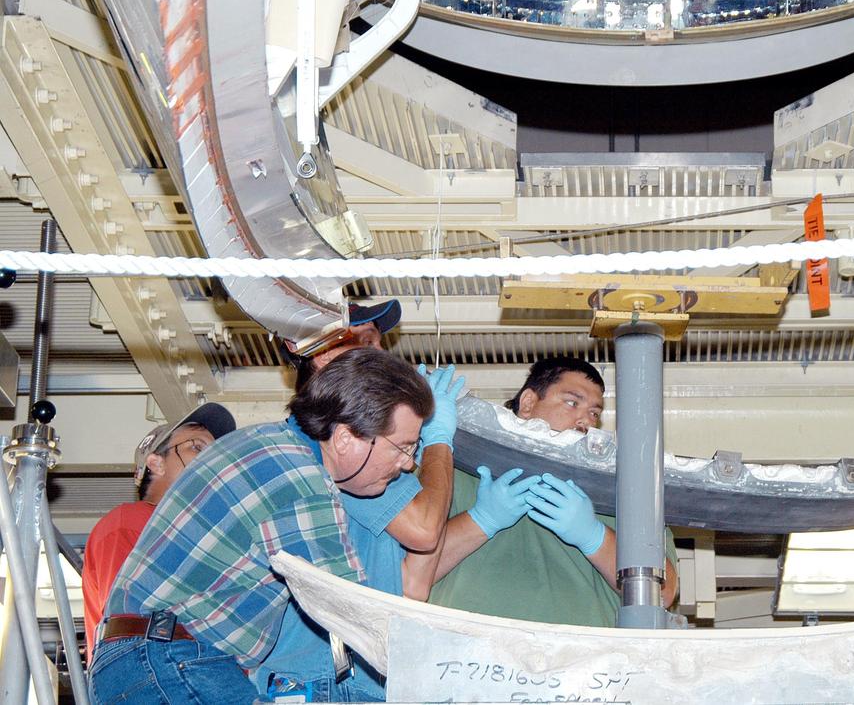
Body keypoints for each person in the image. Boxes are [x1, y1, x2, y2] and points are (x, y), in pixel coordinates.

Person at [88, 348, 444, 705]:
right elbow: (354, 612)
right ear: (345, 438)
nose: (407, 464)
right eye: (402, 447)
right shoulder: (302, 480)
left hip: (152, 659)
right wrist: (453, 667)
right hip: (166, 659)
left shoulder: (269, 443)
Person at [256, 298, 462, 702]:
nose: (381, 353)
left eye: (379, 342)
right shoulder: (328, 449)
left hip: (364, 683)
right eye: (365, 342)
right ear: (322, 355)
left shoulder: (376, 462)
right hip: (315, 680)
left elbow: (413, 586)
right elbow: (423, 529)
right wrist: (439, 442)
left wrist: (488, 518)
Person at [428, 357, 680, 626]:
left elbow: (663, 594)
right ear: (528, 403)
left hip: (582, 651)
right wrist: (480, 520)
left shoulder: (620, 492)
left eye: (594, 413)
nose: (585, 421)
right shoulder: (456, 471)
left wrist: (595, 537)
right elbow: (407, 575)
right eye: (572, 403)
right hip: (465, 647)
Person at [81, 403, 236, 662]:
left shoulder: (206, 540)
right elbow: (129, 625)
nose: (212, 462)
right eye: (197, 447)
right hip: (161, 664)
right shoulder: (133, 520)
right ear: (156, 463)